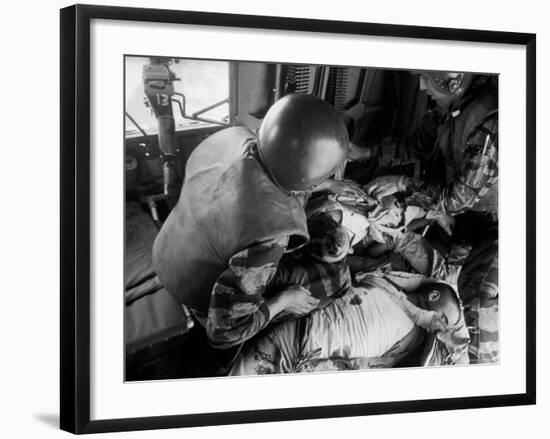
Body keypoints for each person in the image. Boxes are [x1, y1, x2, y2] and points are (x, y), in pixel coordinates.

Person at [152, 94, 365, 372]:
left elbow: (264, 176)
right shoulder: (270, 237)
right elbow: (223, 333)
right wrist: (284, 300)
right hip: (200, 296)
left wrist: (324, 187)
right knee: (337, 279)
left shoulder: (232, 137)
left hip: (171, 250)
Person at [365, 72, 499, 363]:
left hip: (497, 224)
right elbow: (417, 145)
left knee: (478, 294)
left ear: (455, 81)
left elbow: (456, 199)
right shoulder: (450, 105)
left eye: (428, 77)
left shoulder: (488, 122)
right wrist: (364, 152)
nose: (422, 86)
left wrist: (403, 186)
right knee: (430, 272)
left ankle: (484, 378)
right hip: (460, 221)